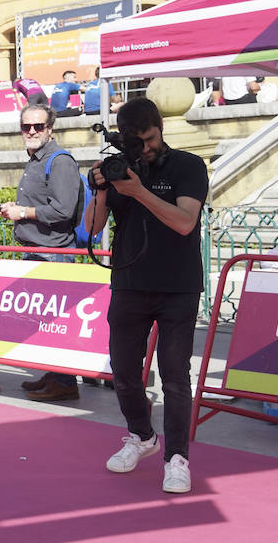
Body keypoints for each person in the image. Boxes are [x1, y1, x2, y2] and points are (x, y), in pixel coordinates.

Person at [81, 97, 208, 494]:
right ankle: (142, 436)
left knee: (175, 377)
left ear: (161, 129)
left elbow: (185, 222)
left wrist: (137, 192)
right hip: (129, 282)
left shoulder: (188, 165)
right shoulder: (119, 167)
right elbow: (92, 228)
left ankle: (177, 458)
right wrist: (102, 190)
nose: (147, 148)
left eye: (151, 138)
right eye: (139, 143)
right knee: (122, 372)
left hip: (178, 286)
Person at [0, 103, 84, 401]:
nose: (32, 131)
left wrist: (23, 212)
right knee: (44, 322)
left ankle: (65, 381)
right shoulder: (37, 159)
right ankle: (54, 374)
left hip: (53, 252)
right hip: (38, 250)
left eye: (38, 126)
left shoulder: (59, 161)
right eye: (26, 126)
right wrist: (17, 209)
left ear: (50, 129)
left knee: (56, 322)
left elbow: (63, 209)